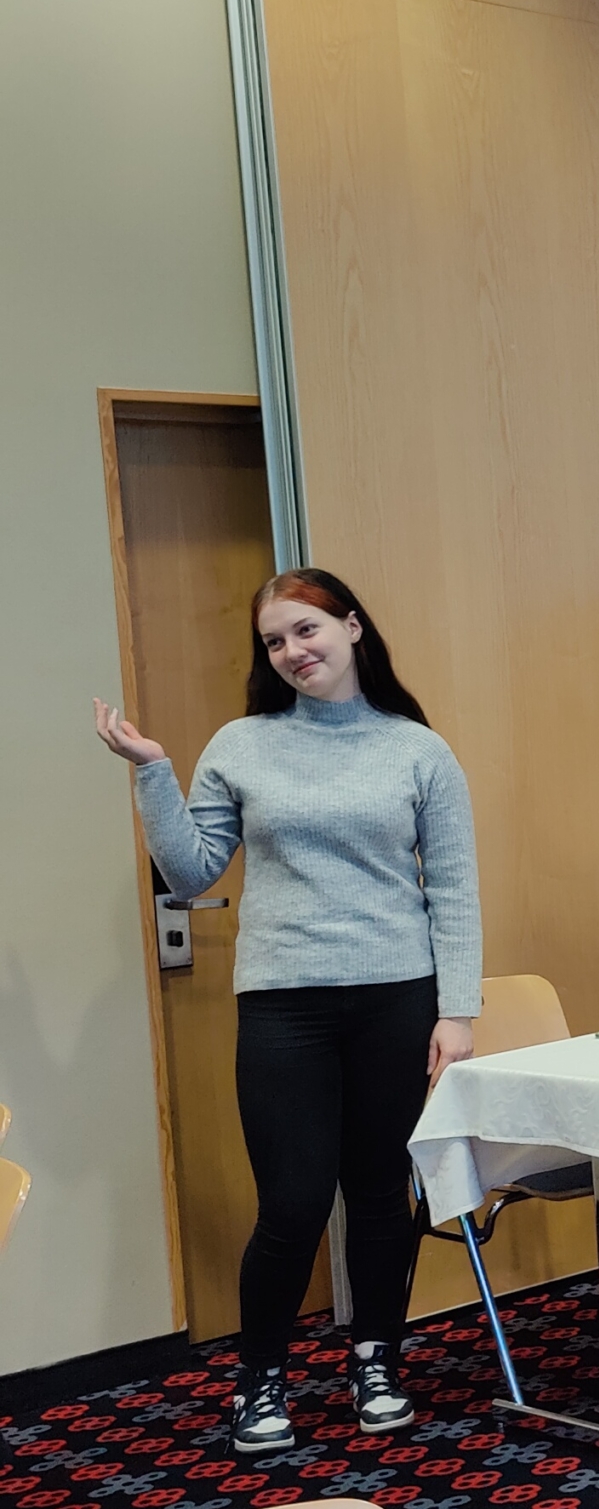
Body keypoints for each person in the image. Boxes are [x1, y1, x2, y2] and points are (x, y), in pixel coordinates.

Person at [93, 570, 480, 1456]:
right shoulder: (242, 744)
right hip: (283, 1004)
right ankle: (261, 1378)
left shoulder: (417, 749)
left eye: (307, 630)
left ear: (352, 627)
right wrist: (152, 772)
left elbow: (455, 887)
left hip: (396, 997)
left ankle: (376, 1359)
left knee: (380, 1194)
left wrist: (457, 1010)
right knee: (294, 1204)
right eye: (275, 641)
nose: (293, 652)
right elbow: (192, 872)